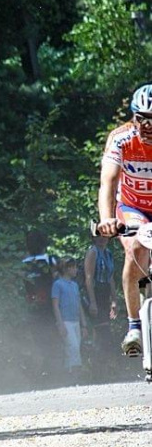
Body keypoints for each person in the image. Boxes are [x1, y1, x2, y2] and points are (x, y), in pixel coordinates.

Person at [98, 83, 152, 356]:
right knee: (136, 250)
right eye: (142, 119)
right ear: (133, 117)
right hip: (133, 207)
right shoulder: (120, 138)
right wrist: (106, 219)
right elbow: (107, 182)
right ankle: (134, 328)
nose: (147, 127)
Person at [21, 230, 59, 380]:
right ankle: (52, 372)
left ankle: (41, 373)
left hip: (32, 307)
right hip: (50, 306)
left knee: (37, 340)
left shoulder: (24, 263)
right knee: (52, 338)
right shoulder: (51, 260)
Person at [84, 233, 118, 366]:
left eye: (104, 235)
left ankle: (106, 365)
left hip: (105, 292)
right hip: (95, 291)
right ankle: (97, 365)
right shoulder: (92, 252)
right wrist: (92, 302)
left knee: (106, 328)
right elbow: (89, 278)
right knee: (100, 330)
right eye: (98, 235)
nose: (102, 238)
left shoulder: (108, 253)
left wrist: (114, 300)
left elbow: (110, 277)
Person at [51, 257, 87, 380]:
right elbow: (55, 305)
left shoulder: (75, 285)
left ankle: (71, 374)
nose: (76, 270)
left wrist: (84, 324)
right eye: (73, 267)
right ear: (66, 268)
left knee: (76, 346)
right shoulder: (57, 284)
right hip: (65, 321)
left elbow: (79, 304)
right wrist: (60, 323)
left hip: (76, 320)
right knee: (72, 346)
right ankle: (73, 373)